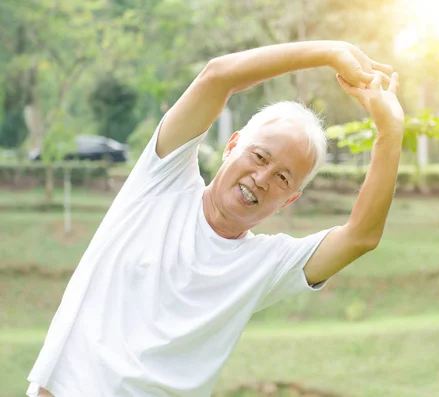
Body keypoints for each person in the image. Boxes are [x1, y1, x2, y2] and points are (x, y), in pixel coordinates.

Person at [26, 41, 404, 397]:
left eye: (282, 178)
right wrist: (328, 52)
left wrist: (390, 132)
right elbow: (217, 76)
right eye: (259, 156)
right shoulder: (162, 179)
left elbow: (360, 237)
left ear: (289, 200)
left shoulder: (266, 264)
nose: (262, 178)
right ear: (231, 145)